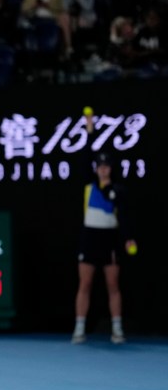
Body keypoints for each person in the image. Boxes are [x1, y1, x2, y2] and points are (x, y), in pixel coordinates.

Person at [71, 109, 137, 345]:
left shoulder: (119, 191)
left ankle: (117, 330)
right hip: (89, 237)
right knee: (85, 283)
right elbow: (85, 155)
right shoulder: (89, 185)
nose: (103, 168)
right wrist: (90, 130)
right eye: (100, 165)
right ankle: (79, 329)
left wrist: (129, 238)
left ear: (111, 168)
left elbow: (126, 217)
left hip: (109, 239)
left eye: (106, 165)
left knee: (112, 285)